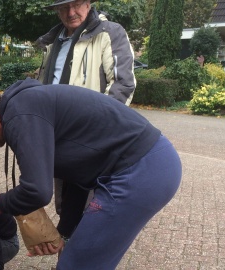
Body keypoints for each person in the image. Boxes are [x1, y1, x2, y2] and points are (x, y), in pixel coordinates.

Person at [0, 79, 182, 269]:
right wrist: (64, 234)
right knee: (78, 257)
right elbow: (75, 175)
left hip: (140, 170)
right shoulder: (25, 107)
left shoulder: (20, 115)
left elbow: (37, 191)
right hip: (149, 165)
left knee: (78, 264)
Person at [36, 0, 137, 220]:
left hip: (92, 135)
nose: (71, 12)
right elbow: (46, 85)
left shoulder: (109, 32)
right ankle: (69, 243)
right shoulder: (54, 41)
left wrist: (98, 128)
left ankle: (86, 246)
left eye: (77, 4)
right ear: (56, 11)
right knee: (65, 204)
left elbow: (123, 84)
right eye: (63, 7)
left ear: (89, 3)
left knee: (92, 205)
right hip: (59, 134)